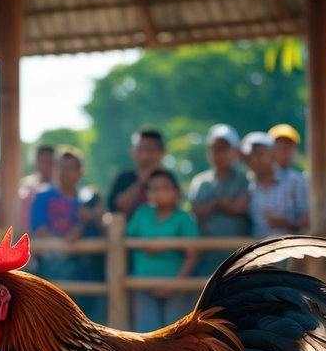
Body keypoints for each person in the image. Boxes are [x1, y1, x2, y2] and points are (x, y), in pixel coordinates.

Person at [29, 148, 105, 320]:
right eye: (61, 167)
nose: (65, 172)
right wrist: (66, 241)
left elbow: (104, 226)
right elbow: (40, 231)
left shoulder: (89, 198)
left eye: (71, 168)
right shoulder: (43, 196)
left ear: (80, 172)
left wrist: (88, 218)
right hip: (53, 267)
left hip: (86, 269)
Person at [125, 169, 198, 333]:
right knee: (145, 335)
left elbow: (192, 255)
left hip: (175, 287)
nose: (158, 193)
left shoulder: (184, 218)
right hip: (142, 285)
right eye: (153, 188)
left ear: (177, 192)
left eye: (164, 188)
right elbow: (126, 240)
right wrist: (144, 245)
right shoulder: (142, 213)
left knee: (174, 335)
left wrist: (176, 284)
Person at [188, 124, 250, 279]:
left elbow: (240, 208)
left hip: (236, 258)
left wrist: (212, 205)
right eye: (215, 148)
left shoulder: (244, 179)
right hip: (205, 258)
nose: (219, 153)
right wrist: (221, 203)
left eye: (224, 148)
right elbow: (197, 212)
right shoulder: (199, 181)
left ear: (235, 152)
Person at [243, 131, 309, 237]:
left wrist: (287, 223)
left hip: (289, 250)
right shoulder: (249, 185)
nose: (254, 159)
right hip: (257, 251)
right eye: (250, 156)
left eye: (259, 154)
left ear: (271, 155)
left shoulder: (295, 181)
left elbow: (306, 220)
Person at [109, 129, 166, 216]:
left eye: (149, 150)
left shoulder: (168, 179)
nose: (145, 155)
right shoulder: (123, 178)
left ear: (161, 152)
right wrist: (140, 183)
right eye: (140, 149)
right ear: (133, 152)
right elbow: (117, 208)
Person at [18, 144, 55, 229]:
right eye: (42, 160)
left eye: (50, 161)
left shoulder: (60, 189)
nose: (46, 165)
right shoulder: (25, 187)